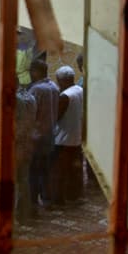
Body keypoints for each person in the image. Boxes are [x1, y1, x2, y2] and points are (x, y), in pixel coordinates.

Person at [28, 58, 59, 209]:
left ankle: (33, 202)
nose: (30, 74)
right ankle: (47, 199)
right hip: (51, 134)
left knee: (33, 171)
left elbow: (31, 114)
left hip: (37, 136)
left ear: (37, 72)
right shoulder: (54, 86)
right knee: (46, 170)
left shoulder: (36, 90)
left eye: (31, 71)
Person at [53, 65, 85, 203]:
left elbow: (56, 116)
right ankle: (75, 195)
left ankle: (60, 198)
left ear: (62, 80)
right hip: (77, 136)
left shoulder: (65, 96)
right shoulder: (80, 90)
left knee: (60, 171)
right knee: (75, 170)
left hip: (63, 139)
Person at [14, 75, 38, 222]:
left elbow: (19, 128)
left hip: (18, 147)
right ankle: (24, 214)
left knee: (19, 182)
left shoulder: (17, 101)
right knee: (24, 180)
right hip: (27, 144)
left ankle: (19, 216)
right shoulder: (29, 97)